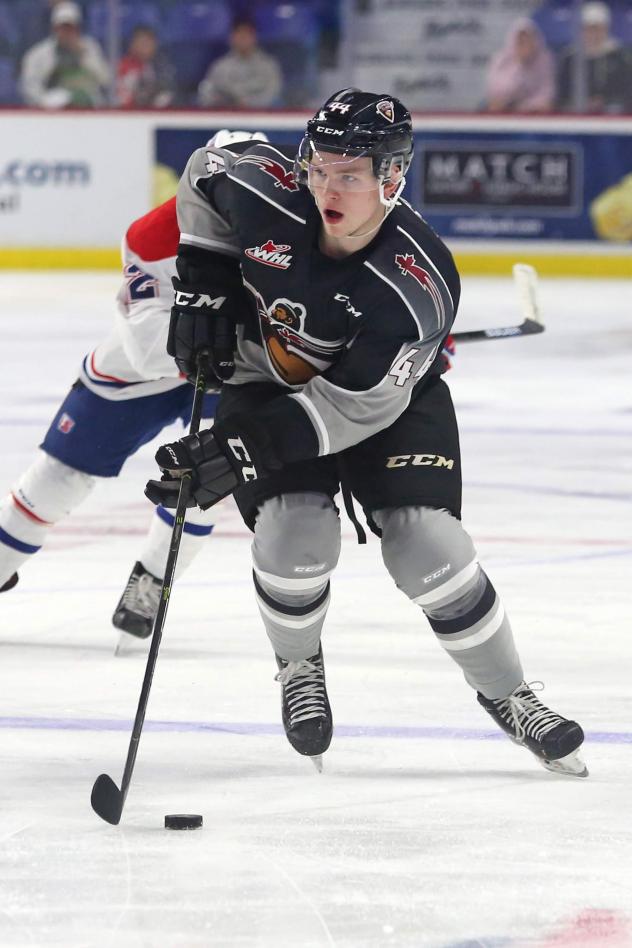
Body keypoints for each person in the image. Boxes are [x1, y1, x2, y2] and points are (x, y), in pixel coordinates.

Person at [146, 89, 588, 779]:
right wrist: (204, 275)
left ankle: (509, 694)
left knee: (426, 544)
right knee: (295, 537)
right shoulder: (270, 189)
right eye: (319, 166)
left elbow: (350, 410)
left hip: (382, 400)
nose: (326, 184)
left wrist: (239, 449)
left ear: (391, 178)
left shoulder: (417, 280)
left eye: (349, 174)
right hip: (267, 378)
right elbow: (206, 166)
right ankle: (298, 664)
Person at [0, 131, 266, 643]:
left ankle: (154, 576)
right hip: (141, 370)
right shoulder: (152, 235)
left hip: (232, 375)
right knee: (59, 478)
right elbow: (148, 347)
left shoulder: (290, 226)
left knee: (206, 480)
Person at [19, 0, 110, 109]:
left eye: (70, 27)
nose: (66, 32)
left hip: (88, 109)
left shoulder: (91, 48)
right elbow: (28, 87)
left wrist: (84, 55)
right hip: (52, 112)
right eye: (62, 27)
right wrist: (45, 100)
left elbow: (106, 80)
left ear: (78, 28)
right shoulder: (38, 54)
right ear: (54, 28)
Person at [557, 1, 629, 113]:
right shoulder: (570, 58)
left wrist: (605, 102)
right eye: (589, 29)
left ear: (606, 29)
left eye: (598, 29)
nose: (593, 34)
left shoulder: (618, 56)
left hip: (611, 118)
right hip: (574, 118)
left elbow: (626, 92)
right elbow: (561, 96)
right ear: (581, 30)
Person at [197, 18, 282, 109]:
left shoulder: (268, 66)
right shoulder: (220, 66)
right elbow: (207, 95)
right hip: (227, 118)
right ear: (231, 37)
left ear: (255, 37)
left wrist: (248, 104)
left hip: (261, 118)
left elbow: (273, 94)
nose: (243, 37)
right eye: (239, 33)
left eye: (247, 34)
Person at [485, 18, 555, 112]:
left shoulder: (544, 60)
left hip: (532, 110)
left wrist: (525, 107)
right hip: (506, 107)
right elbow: (497, 92)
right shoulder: (501, 60)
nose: (525, 44)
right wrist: (520, 64)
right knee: (495, 105)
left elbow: (547, 93)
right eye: (521, 41)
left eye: (528, 39)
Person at [116, 25, 176, 109]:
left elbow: (168, 93)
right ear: (132, 45)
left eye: (148, 42)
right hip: (130, 114)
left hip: (157, 115)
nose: (145, 47)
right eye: (141, 42)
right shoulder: (124, 66)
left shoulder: (163, 65)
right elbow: (122, 98)